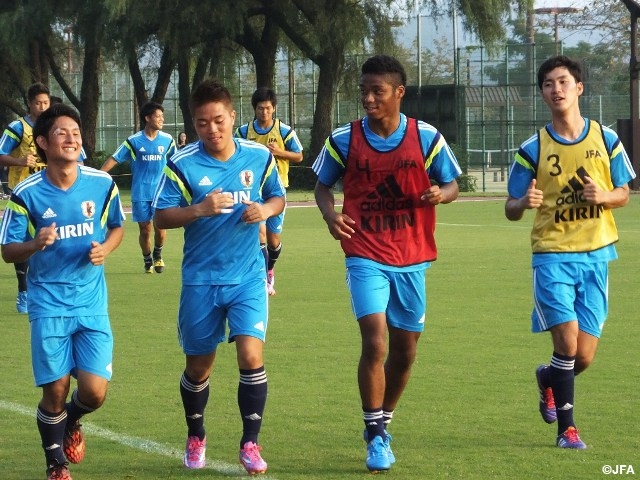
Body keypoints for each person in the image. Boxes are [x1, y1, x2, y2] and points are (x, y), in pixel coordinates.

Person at [312, 55, 461, 472]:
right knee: (375, 340)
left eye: (377, 90)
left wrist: (440, 194)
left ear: (399, 93)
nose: (368, 97)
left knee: (406, 351)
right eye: (363, 90)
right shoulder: (344, 139)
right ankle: (376, 434)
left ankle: (383, 417)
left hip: (412, 255)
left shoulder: (426, 136)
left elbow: (452, 183)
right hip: (364, 252)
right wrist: (330, 215)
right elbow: (322, 186)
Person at [153, 79, 285, 475]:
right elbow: (160, 215)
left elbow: (277, 195)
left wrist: (264, 210)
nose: (212, 129)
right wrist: (199, 209)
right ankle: (196, 436)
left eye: (219, 121)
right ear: (194, 124)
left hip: (246, 276)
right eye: (202, 123)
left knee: (251, 355)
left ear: (232, 117)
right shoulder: (182, 162)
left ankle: (250, 443)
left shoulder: (258, 156)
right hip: (201, 280)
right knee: (199, 368)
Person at [505, 55, 635, 450]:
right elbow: (510, 207)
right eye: (548, 84)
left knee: (585, 356)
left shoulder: (606, 139)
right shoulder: (533, 148)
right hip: (552, 255)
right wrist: (523, 201)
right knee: (567, 343)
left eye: (563, 81)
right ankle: (567, 430)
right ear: (542, 94)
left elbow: (624, 193)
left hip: (596, 255)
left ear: (579, 88)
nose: (556, 89)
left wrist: (606, 196)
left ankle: (548, 378)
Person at [0, 103, 125, 480]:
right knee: (55, 389)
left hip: (91, 304)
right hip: (48, 305)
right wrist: (35, 244)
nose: (71, 138)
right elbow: (7, 250)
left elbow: (117, 226)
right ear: (41, 143)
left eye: (75, 132)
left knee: (94, 393)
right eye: (61, 133)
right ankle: (56, 464)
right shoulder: (26, 193)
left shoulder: (102, 184)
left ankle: (72, 421)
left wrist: (106, 248)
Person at [235, 87, 303, 296]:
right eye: (259, 108)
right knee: (260, 233)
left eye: (267, 108)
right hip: (253, 189)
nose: (264, 112)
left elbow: (299, 156)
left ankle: (270, 268)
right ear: (254, 109)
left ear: (273, 108)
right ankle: (262, 277)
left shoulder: (284, 131)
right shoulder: (244, 132)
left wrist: (279, 153)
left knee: (274, 239)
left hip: (276, 190)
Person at [100, 101, 176, 273]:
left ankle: (158, 254)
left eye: (162, 116)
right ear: (147, 118)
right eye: (158, 116)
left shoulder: (168, 140)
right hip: (141, 192)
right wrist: (99, 176)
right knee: (145, 229)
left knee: (161, 228)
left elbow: (177, 162)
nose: (162, 119)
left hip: (160, 192)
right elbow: (115, 158)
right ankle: (147, 258)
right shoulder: (133, 141)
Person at [0, 82, 51, 313]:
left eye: (46, 103)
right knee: (23, 244)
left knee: (49, 241)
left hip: (49, 191)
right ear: (29, 104)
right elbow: (1, 154)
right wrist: (19, 161)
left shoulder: (53, 126)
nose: (42, 107)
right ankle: (23, 291)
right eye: (38, 103)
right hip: (21, 193)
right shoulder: (17, 127)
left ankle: (43, 289)